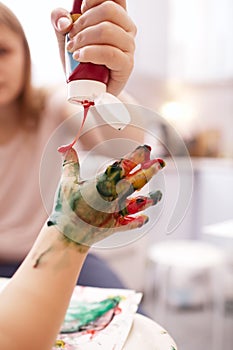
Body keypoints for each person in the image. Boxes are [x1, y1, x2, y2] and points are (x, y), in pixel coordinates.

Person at [0, 0, 141, 289]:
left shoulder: (49, 106)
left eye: (2, 51)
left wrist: (102, 90)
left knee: (125, 318)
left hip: (57, 252)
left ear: (25, 55)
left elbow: (123, 145)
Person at [0, 144, 165, 350]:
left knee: (132, 321)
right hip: (51, 246)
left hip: (53, 246)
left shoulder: (54, 112)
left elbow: (127, 137)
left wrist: (75, 227)